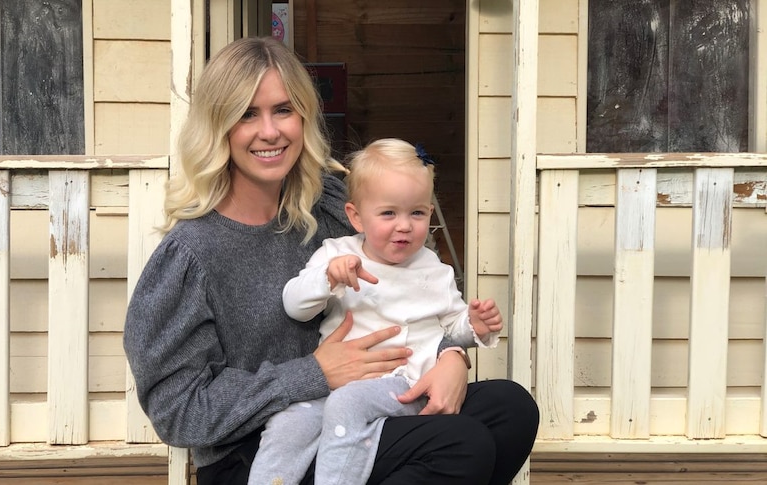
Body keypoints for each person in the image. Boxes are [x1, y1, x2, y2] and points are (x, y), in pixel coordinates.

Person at [123, 35, 538, 485]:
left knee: (510, 409)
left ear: (303, 116)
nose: (270, 131)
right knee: (461, 445)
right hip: (260, 450)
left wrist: (452, 355)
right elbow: (179, 412)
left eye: (283, 110)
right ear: (218, 126)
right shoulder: (192, 253)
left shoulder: (332, 205)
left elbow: (413, 288)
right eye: (247, 114)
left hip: (366, 405)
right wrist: (312, 374)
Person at [247, 138, 505, 485]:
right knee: (287, 423)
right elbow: (295, 306)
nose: (404, 225)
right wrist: (327, 279)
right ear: (356, 216)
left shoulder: (434, 269)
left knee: (349, 406)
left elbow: (451, 329)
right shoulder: (336, 254)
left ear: (429, 213)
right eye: (388, 213)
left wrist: (475, 325)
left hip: (405, 386)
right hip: (334, 388)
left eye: (416, 212)